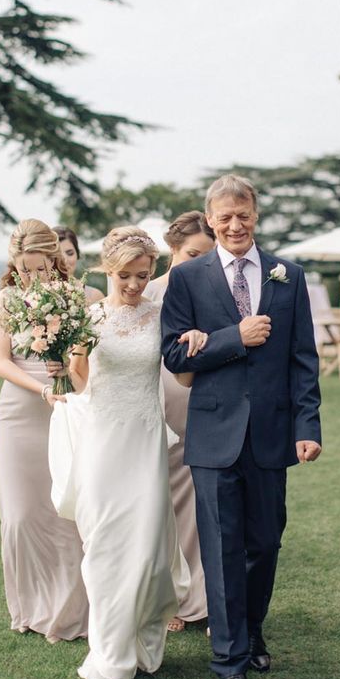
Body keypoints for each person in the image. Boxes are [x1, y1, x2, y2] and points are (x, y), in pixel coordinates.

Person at [160, 175, 322, 679]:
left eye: (243, 215)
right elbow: (176, 357)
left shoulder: (288, 276)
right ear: (209, 219)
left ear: (256, 215)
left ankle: (251, 632)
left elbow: (303, 359)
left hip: (272, 435)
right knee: (223, 549)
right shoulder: (187, 279)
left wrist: (307, 428)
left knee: (265, 543)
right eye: (224, 216)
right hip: (212, 436)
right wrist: (237, 337)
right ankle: (229, 663)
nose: (234, 225)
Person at [50, 226, 205, 679]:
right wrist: (61, 356)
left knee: (149, 553)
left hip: (144, 442)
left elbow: (180, 361)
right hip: (102, 442)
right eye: (125, 277)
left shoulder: (162, 315)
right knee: (105, 548)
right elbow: (81, 382)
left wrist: (196, 336)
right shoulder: (90, 318)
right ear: (108, 270)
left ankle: (141, 640)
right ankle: (112, 658)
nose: (135, 285)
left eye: (143, 275)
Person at [0, 219, 88, 643]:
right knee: (19, 517)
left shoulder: (75, 298)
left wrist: (65, 368)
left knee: (64, 514)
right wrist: (41, 386)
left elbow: (85, 358)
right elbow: (1, 362)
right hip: (18, 413)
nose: (32, 276)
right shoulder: (6, 299)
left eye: (40, 267)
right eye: (24, 268)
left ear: (54, 258)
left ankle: (68, 612)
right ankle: (30, 607)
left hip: (64, 409)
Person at [145, 211, 215, 631]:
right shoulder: (148, 292)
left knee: (198, 506)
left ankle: (200, 601)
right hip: (154, 403)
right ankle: (169, 596)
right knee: (161, 505)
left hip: (197, 404)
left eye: (206, 255)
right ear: (173, 249)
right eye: (191, 253)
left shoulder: (210, 293)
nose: (197, 263)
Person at [52, 225, 105, 305]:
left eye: (70, 253)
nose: (64, 260)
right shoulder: (40, 296)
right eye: (58, 255)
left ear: (77, 254)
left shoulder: (96, 296)